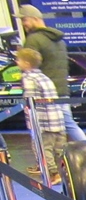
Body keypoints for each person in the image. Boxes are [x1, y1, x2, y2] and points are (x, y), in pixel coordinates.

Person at [13, 4, 85, 177]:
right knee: (66, 127)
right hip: (61, 91)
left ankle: (52, 165)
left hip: (44, 96)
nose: (23, 24)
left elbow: (29, 65)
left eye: (25, 20)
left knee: (44, 132)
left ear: (35, 18)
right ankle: (85, 155)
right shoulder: (59, 40)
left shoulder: (34, 40)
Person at [16, 48, 65, 186]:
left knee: (43, 149)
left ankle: (54, 174)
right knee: (59, 150)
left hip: (43, 123)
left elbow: (30, 101)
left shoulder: (28, 78)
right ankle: (63, 173)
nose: (16, 62)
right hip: (57, 120)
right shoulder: (44, 77)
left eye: (18, 60)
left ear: (26, 63)